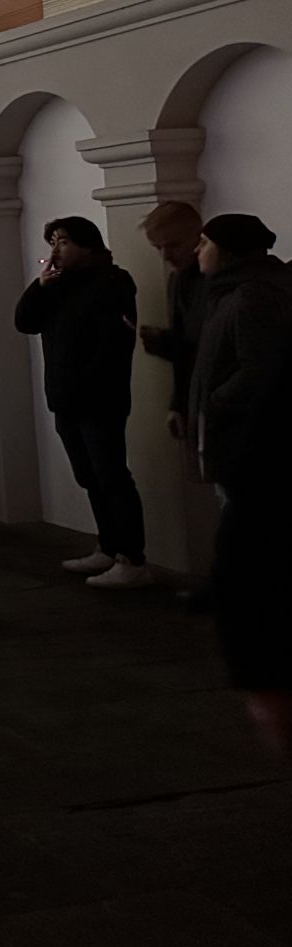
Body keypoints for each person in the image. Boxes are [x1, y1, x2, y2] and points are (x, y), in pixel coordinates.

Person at [188, 214, 292, 756]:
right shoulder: (232, 292)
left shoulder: (250, 297)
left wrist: (213, 403)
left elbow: (256, 369)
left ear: (226, 250)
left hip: (245, 440)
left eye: (203, 241)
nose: (195, 251)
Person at [14, 215, 148, 589]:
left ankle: (132, 558)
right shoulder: (58, 285)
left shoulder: (113, 283)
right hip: (65, 399)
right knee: (89, 476)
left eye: (63, 242)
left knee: (112, 476)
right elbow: (24, 321)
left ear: (88, 244)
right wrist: (39, 287)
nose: (55, 250)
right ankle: (107, 546)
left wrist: (84, 384)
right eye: (52, 242)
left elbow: (112, 348)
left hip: (99, 400)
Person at [138, 201, 209, 465]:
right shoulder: (178, 281)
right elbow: (187, 349)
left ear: (198, 236)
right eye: (158, 248)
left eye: (173, 245)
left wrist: (167, 343)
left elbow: (215, 350)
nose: (165, 256)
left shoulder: (220, 281)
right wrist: (177, 405)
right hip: (197, 403)